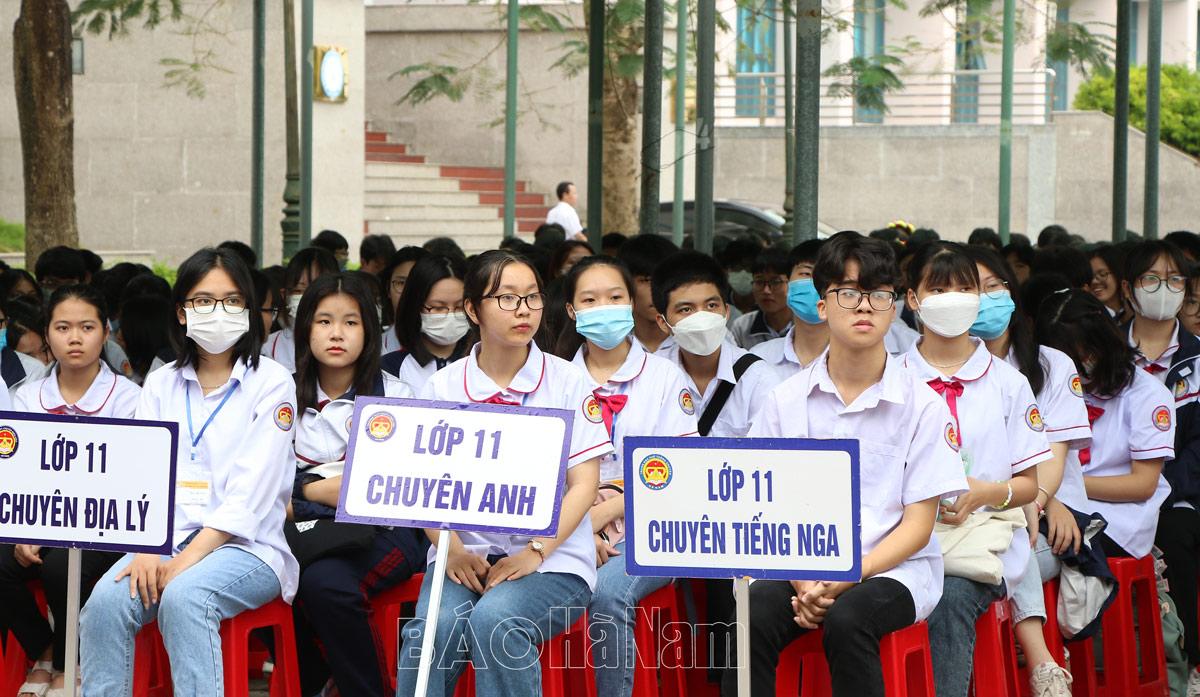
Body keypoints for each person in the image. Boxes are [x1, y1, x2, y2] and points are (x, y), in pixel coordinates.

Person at [724, 231, 967, 697]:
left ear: (894, 309)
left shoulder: (923, 406)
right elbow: (765, 508)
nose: (864, 307)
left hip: (892, 569)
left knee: (850, 619)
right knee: (750, 613)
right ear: (822, 305)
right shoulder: (784, 401)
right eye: (849, 293)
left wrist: (852, 572)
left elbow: (919, 525)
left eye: (878, 295)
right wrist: (805, 582)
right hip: (798, 563)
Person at [79, 247, 298, 697]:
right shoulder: (161, 383)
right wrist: (145, 547)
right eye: (203, 300)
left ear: (249, 309)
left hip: (248, 548)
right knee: (103, 605)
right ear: (181, 312)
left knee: (185, 597)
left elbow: (250, 496)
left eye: (232, 300)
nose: (218, 311)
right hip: (167, 539)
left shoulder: (273, 382)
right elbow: (142, 473)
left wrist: (184, 560)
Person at [395, 250, 611, 696]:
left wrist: (536, 551)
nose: (524, 310)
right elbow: (421, 486)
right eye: (507, 298)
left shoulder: (568, 381)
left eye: (532, 297)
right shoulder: (443, 386)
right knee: (432, 631)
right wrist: (452, 551)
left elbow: (584, 484)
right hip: (462, 555)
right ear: (473, 309)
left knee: (497, 621)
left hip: (553, 561)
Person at [902, 242, 1049, 697]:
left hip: (983, 545)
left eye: (964, 289)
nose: (952, 299)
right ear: (912, 299)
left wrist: (985, 493)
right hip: (903, 543)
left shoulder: (1008, 383)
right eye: (938, 288)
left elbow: (1029, 486)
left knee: (949, 601)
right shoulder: (894, 378)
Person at [551, 255, 699, 697]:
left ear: (632, 303)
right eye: (590, 300)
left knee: (605, 594)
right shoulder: (554, 381)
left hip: (654, 528)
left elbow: (680, 471)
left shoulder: (665, 378)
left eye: (615, 297)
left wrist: (595, 520)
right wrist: (577, 531)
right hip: (568, 526)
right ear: (572, 310)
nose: (604, 307)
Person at [287, 273, 425, 697]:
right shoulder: (279, 396)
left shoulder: (398, 396)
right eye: (324, 321)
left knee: (324, 582)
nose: (337, 333)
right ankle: (323, 679)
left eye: (351, 322)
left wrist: (300, 490)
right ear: (305, 328)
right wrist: (317, 491)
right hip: (299, 531)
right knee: (257, 575)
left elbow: (384, 492)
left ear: (369, 331)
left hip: (386, 530)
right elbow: (264, 491)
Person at [0, 285, 140, 697]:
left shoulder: (129, 399)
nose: (74, 338)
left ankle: (70, 662)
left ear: (106, 332)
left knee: (61, 566)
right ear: (47, 333)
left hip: (107, 526)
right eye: (63, 327)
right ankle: (42, 649)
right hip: (42, 519)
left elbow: (129, 480)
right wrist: (25, 529)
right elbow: (19, 473)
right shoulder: (27, 398)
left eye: (87, 327)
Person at [964, 246, 1088, 696]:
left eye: (992, 287)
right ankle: (1036, 660)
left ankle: (1039, 663)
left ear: (1011, 292)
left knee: (1012, 534)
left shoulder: (1051, 365)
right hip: (965, 516)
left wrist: (1038, 501)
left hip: (1049, 515)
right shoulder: (935, 371)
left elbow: (1052, 457)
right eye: (970, 290)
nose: (983, 299)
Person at [652, 250, 779, 438]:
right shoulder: (652, 377)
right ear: (663, 322)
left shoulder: (758, 380)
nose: (701, 318)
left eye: (711, 306)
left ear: (726, 312)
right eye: (686, 309)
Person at [381, 254, 471, 393]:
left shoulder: (483, 366)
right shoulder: (388, 368)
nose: (451, 315)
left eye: (459, 307)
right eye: (438, 307)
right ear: (415, 306)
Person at [751, 239, 829, 378]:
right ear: (787, 286)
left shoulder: (857, 363)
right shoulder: (758, 359)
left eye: (824, 276)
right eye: (806, 274)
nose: (815, 283)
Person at [264, 247, 338, 372]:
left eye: (320, 290)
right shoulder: (268, 349)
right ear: (285, 295)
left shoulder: (350, 345)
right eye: (300, 290)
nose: (309, 297)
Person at [615, 235, 679, 353]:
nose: (657, 290)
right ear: (625, 283)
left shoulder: (694, 345)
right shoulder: (610, 345)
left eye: (666, 280)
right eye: (646, 280)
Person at [730, 246, 793, 349]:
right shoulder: (743, 326)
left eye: (775, 282)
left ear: (791, 283)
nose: (766, 290)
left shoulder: (803, 326)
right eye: (759, 282)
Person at [1089, 245, 1127, 321]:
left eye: (1102, 274)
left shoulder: (1138, 316)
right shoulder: (1085, 320)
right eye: (1090, 276)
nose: (1094, 281)